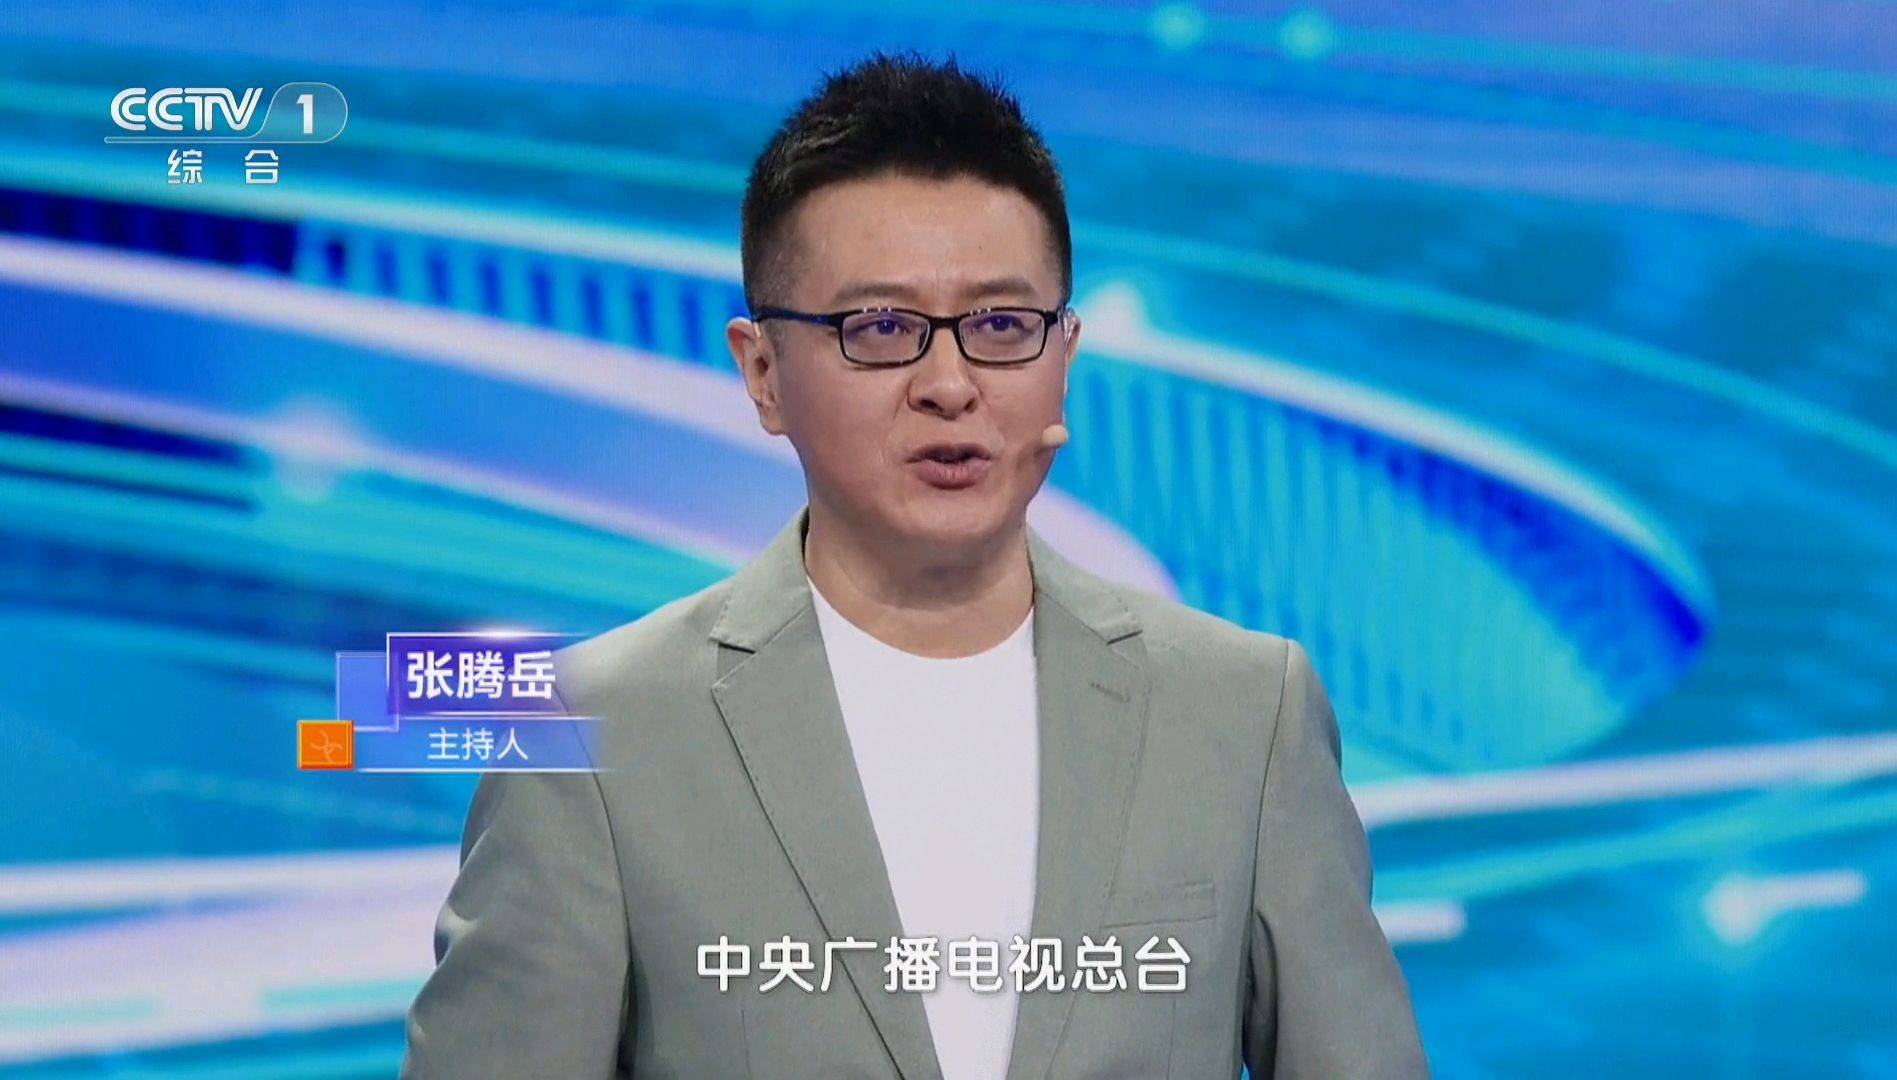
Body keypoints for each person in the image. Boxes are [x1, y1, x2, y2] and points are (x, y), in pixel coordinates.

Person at [401, 50, 1427, 1079]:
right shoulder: (586, 731)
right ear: (762, 372)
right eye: (881, 327)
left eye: (1001, 326)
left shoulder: (1244, 713)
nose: (949, 383)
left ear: (1063, 357)